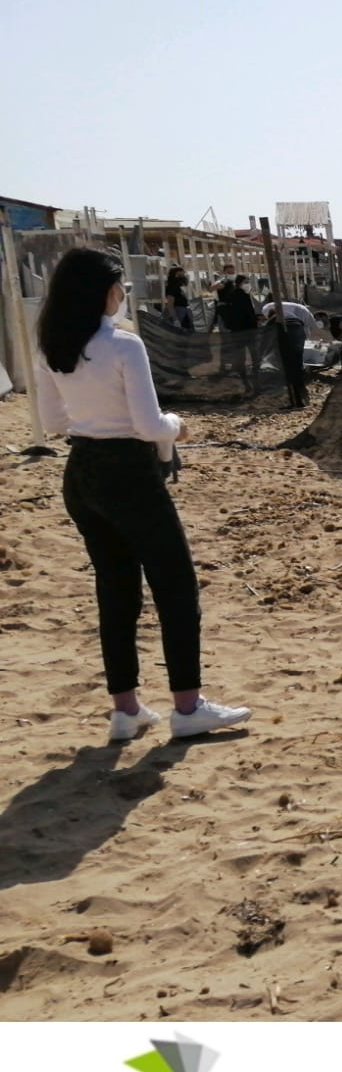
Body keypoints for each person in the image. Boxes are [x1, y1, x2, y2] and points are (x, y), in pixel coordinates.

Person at [32, 249, 251, 741]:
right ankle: (188, 706)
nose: (123, 295)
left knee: (115, 589)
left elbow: (52, 423)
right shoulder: (124, 346)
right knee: (175, 586)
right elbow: (150, 425)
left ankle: (126, 709)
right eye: (120, 288)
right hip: (127, 472)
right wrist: (180, 426)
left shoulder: (50, 345)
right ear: (104, 292)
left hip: (81, 472)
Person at [261, 295, 318, 409]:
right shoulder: (292, 316)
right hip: (299, 332)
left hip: (289, 336)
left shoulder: (273, 321)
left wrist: (261, 355)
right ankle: (302, 399)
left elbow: (265, 340)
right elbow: (308, 329)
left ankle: (294, 402)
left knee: (288, 371)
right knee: (297, 367)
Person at [164, 265, 194, 332]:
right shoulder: (172, 287)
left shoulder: (181, 287)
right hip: (179, 313)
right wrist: (175, 319)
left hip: (186, 314)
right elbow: (170, 304)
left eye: (183, 274)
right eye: (180, 274)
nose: (183, 276)